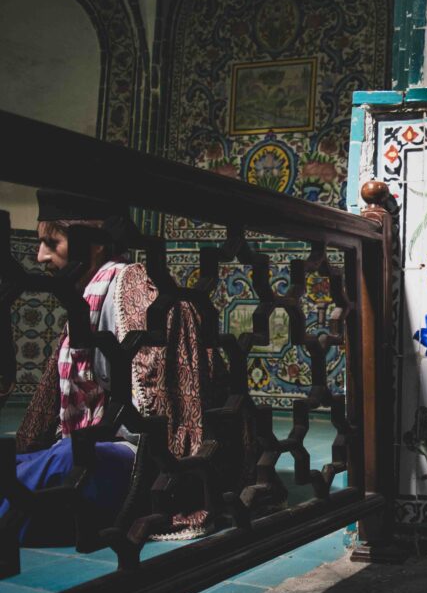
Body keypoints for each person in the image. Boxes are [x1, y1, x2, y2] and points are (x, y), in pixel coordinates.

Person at [0, 189, 254, 544]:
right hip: (95, 444)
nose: (40, 256)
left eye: (51, 242)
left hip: (136, 457)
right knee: (24, 461)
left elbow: (159, 414)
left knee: (62, 461)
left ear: (96, 244)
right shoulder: (87, 295)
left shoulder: (137, 290)